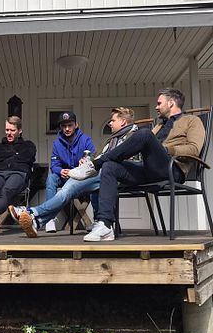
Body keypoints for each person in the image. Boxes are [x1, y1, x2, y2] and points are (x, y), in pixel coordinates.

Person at [82, 88, 204, 242]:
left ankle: (96, 163)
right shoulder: (159, 126)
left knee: (144, 133)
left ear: (171, 103)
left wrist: (167, 150)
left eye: (159, 103)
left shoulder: (192, 121)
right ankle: (105, 225)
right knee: (110, 167)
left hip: (172, 169)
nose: (156, 107)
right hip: (148, 169)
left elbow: (194, 149)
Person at [13, 107, 139, 238]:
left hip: (110, 176)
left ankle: (32, 213)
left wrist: (88, 163)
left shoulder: (133, 137)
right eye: (64, 126)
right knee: (56, 181)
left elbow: (127, 162)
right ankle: (38, 220)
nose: (109, 123)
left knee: (69, 188)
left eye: (112, 120)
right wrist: (83, 163)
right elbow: (97, 157)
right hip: (91, 174)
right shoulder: (112, 140)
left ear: (123, 122)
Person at [43, 111, 96, 233]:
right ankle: (50, 219)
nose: (67, 129)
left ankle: (98, 220)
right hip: (65, 177)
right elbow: (54, 164)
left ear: (76, 125)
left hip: (82, 178)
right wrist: (61, 170)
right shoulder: (57, 143)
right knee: (51, 178)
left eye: (70, 125)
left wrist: (86, 161)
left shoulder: (86, 140)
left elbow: (93, 158)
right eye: (64, 126)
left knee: (96, 181)